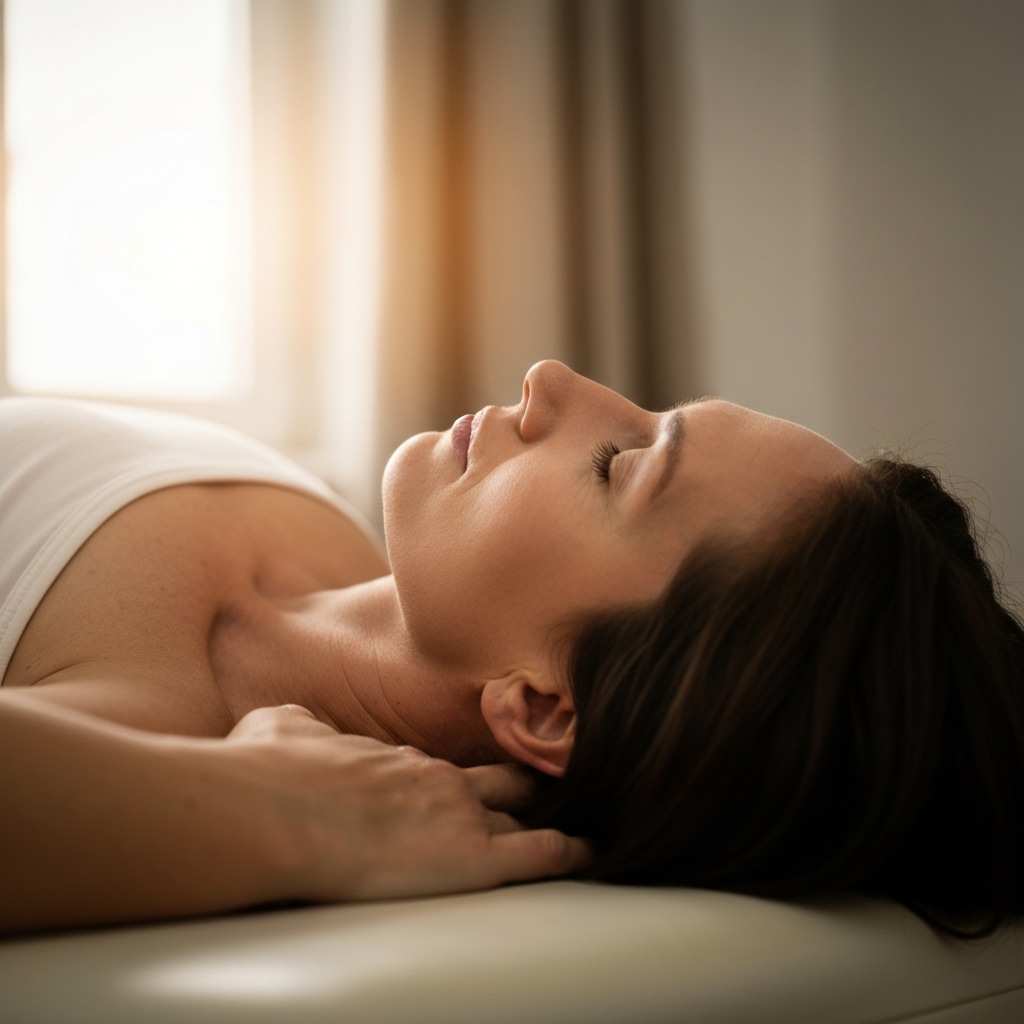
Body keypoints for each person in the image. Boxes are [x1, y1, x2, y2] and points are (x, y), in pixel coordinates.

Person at [1, 360, 1022, 938]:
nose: (551, 380)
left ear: (545, 708)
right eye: (650, 413)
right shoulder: (336, 546)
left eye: (618, 464)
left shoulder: (142, 726)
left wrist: (282, 812)